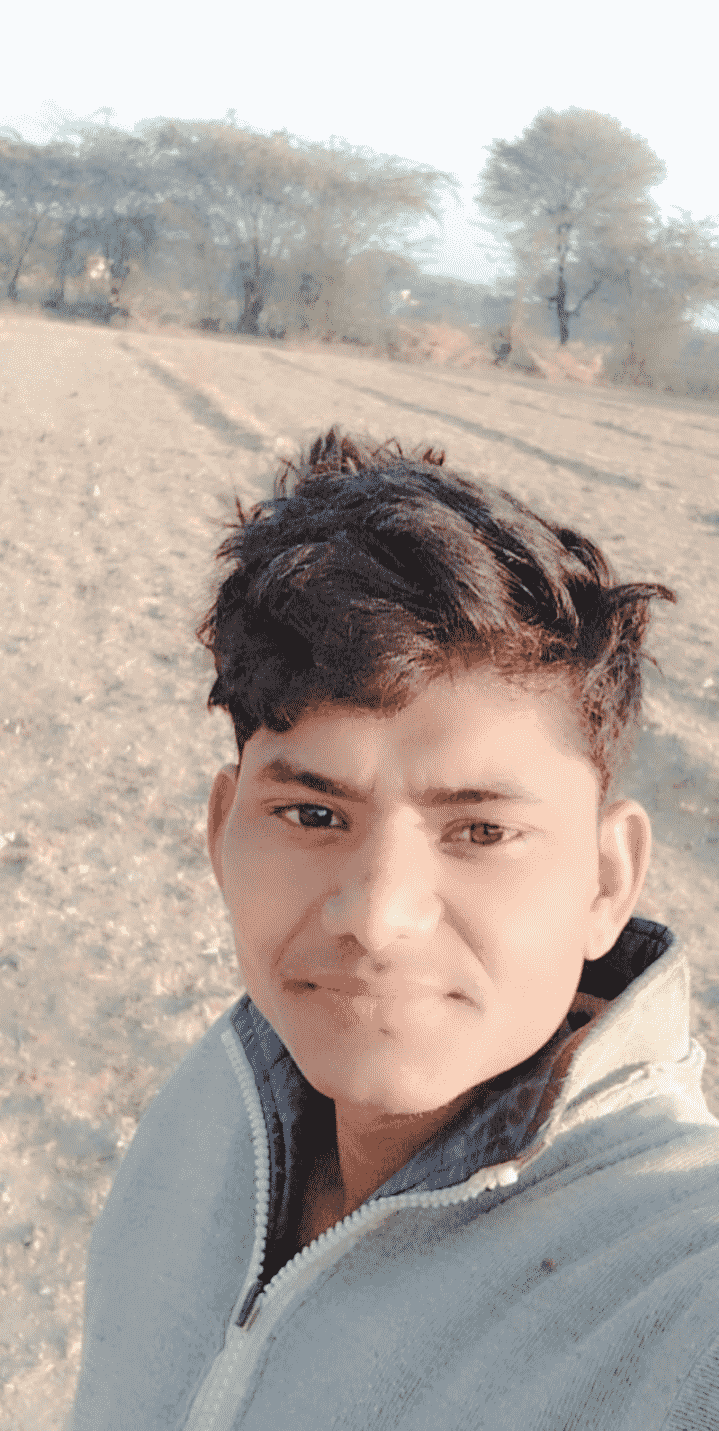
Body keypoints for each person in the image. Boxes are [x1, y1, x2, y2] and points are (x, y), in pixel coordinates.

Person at [67, 426, 719, 1431]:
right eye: (313, 814)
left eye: (480, 831)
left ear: (605, 878)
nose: (374, 916)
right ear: (222, 830)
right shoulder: (224, 1087)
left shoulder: (674, 1279)